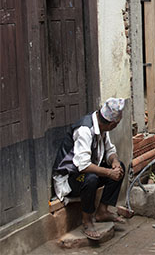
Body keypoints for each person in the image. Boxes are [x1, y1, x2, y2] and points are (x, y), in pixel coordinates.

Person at [52, 98, 130, 242]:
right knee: (91, 178)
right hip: (70, 177)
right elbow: (83, 166)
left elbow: (110, 150)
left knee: (121, 169)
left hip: (85, 171)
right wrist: (108, 172)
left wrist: (115, 161)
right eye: (117, 124)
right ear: (113, 124)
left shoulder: (102, 127)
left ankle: (102, 211)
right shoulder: (85, 130)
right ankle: (87, 220)